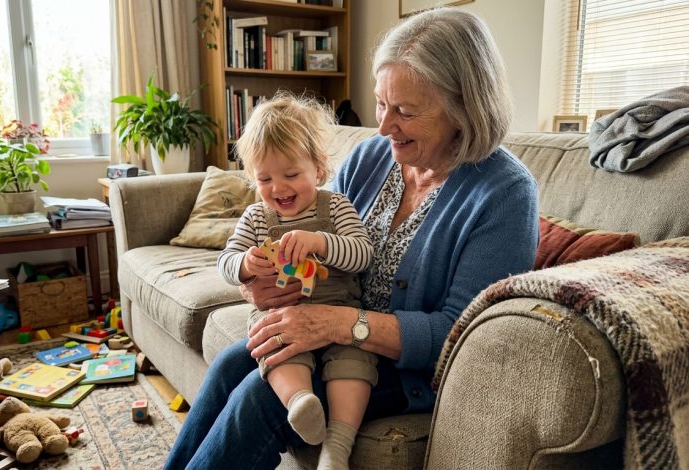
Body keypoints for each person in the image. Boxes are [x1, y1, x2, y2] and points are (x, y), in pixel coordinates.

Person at [164, 8, 539, 470]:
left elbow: (462, 335)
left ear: (464, 105)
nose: (382, 127)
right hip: (326, 335)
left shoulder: (504, 194)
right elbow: (311, 232)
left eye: (404, 111)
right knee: (228, 367)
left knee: (260, 397)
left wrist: (340, 323)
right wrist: (260, 282)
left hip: (403, 367)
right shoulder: (371, 157)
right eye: (382, 104)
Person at [216, 93, 376, 468]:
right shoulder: (256, 218)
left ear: (318, 170)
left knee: (353, 365)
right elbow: (224, 261)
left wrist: (321, 241)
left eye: (291, 175)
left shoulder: (335, 207)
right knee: (278, 354)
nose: (278, 188)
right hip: (280, 315)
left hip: (339, 313)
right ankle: (300, 402)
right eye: (265, 178)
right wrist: (246, 263)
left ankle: (337, 447)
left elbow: (363, 253)